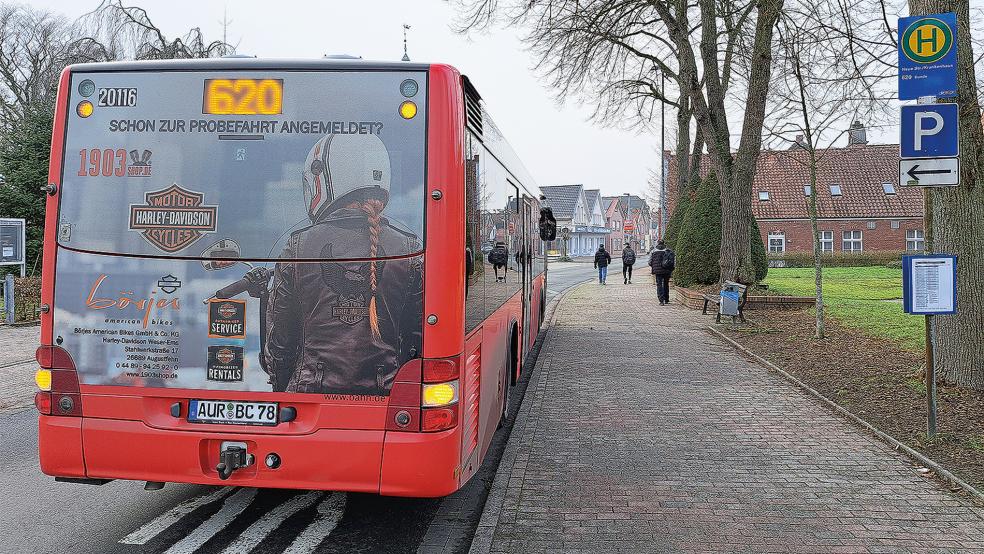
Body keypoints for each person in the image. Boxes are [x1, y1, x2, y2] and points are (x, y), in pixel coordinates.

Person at [265, 132, 423, 395]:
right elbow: (418, 338)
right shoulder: (409, 248)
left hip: (310, 393)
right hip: (388, 395)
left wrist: (282, 390)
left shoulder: (298, 246)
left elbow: (280, 340)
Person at [648, 239, 675, 305]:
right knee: (666, 284)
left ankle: (661, 301)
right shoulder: (668, 250)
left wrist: (654, 266)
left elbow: (649, 262)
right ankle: (666, 299)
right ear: (664, 243)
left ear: (657, 243)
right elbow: (672, 261)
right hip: (667, 270)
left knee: (659, 285)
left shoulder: (653, 251)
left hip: (658, 271)